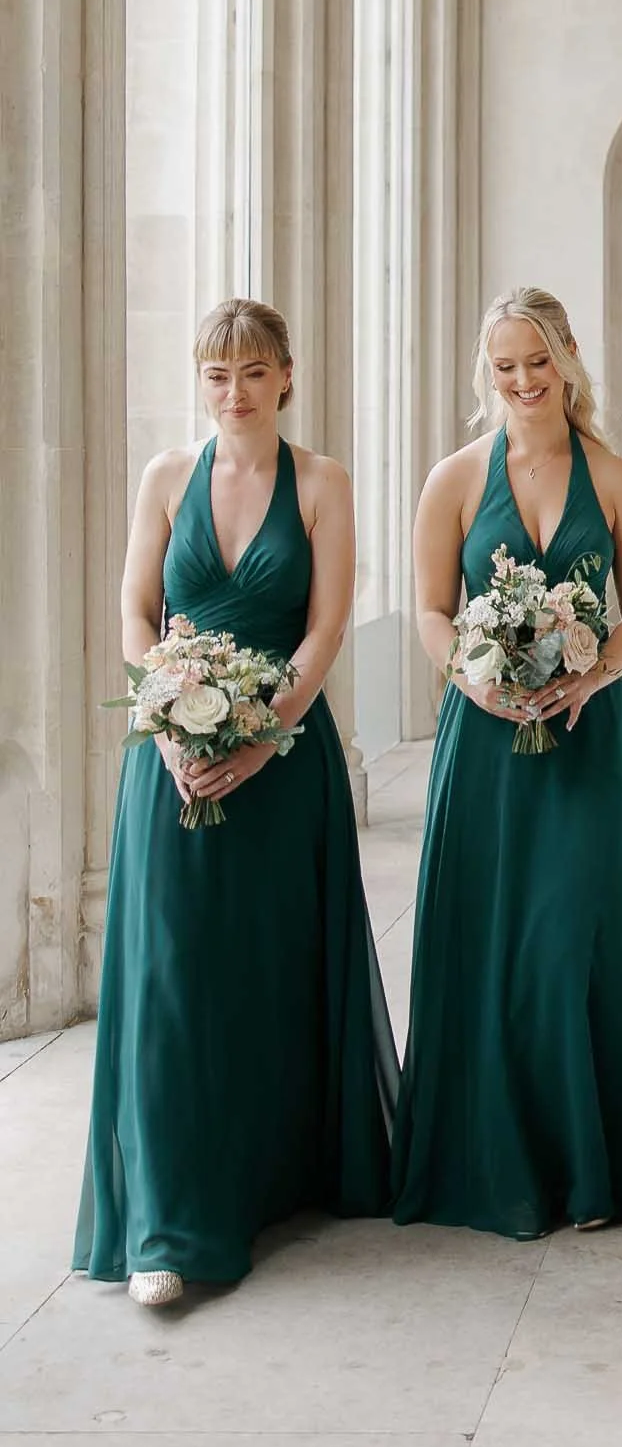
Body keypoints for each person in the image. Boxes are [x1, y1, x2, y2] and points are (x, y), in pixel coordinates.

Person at [75, 298, 394, 1305]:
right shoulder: (165, 477)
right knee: (171, 976)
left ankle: (270, 1177)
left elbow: (324, 627)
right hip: (165, 759)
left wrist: (261, 736)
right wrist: (168, 721)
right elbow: (135, 610)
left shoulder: (325, 482)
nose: (234, 390)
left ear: (285, 376)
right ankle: (167, 1226)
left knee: (265, 968)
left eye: (253, 371)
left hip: (281, 759)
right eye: (217, 373)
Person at [391, 286, 622, 1236]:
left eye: (536, 362)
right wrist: (470, 675)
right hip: (487, 736)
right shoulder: (456, 478)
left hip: (595, 738)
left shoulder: (617, 477)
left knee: (574, 937)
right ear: (486, 372)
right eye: (504, 366)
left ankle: (593, 1167)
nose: (521, 381)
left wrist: (592, 680)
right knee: (499, 937)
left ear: (569, 358)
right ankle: (497, 1162)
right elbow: (430, 609)